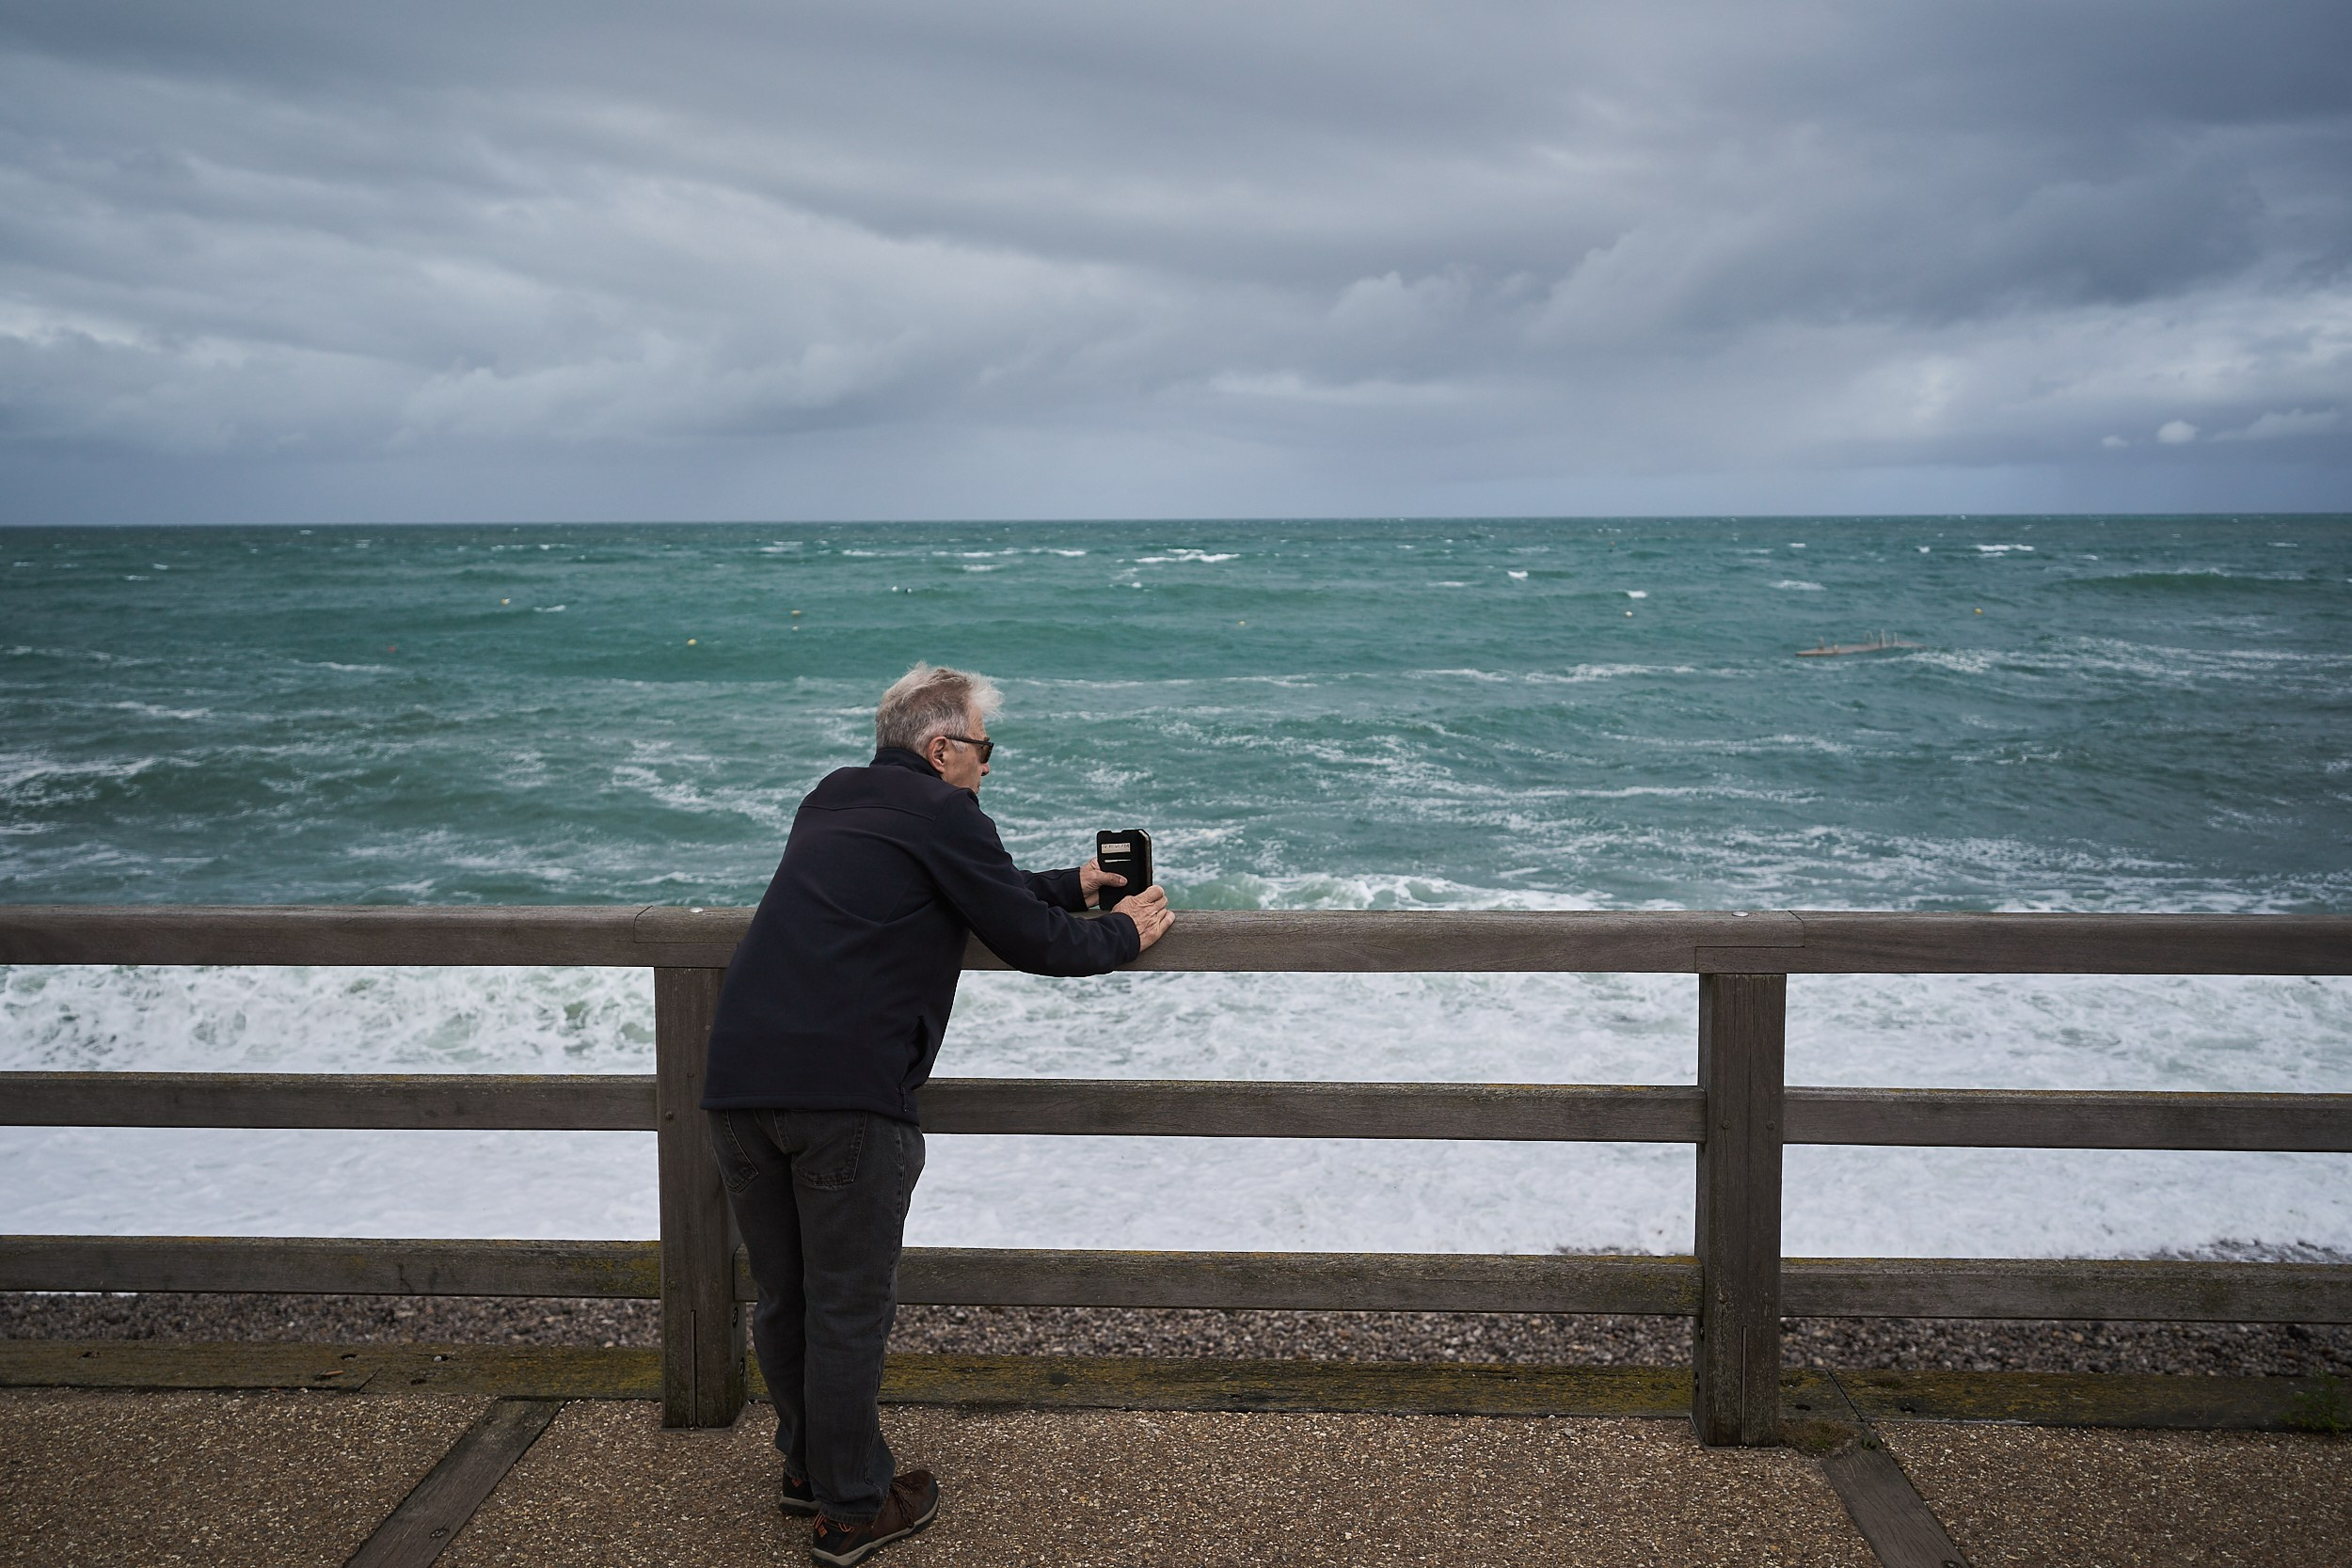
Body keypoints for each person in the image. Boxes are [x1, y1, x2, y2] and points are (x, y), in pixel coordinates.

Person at [701, 662, 1173, 1566]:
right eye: (985, 749)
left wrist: (1076, 881)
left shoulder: (833, 799)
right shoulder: (947, 813)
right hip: (844, 1096)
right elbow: (1029, 941)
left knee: (788, 1296)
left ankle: (808, 1467)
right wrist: (1126, 930)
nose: (990, 767)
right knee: (846, 1306)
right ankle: (851, 1507)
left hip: (738, 1084)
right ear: (942, 746)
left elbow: (969, 890)